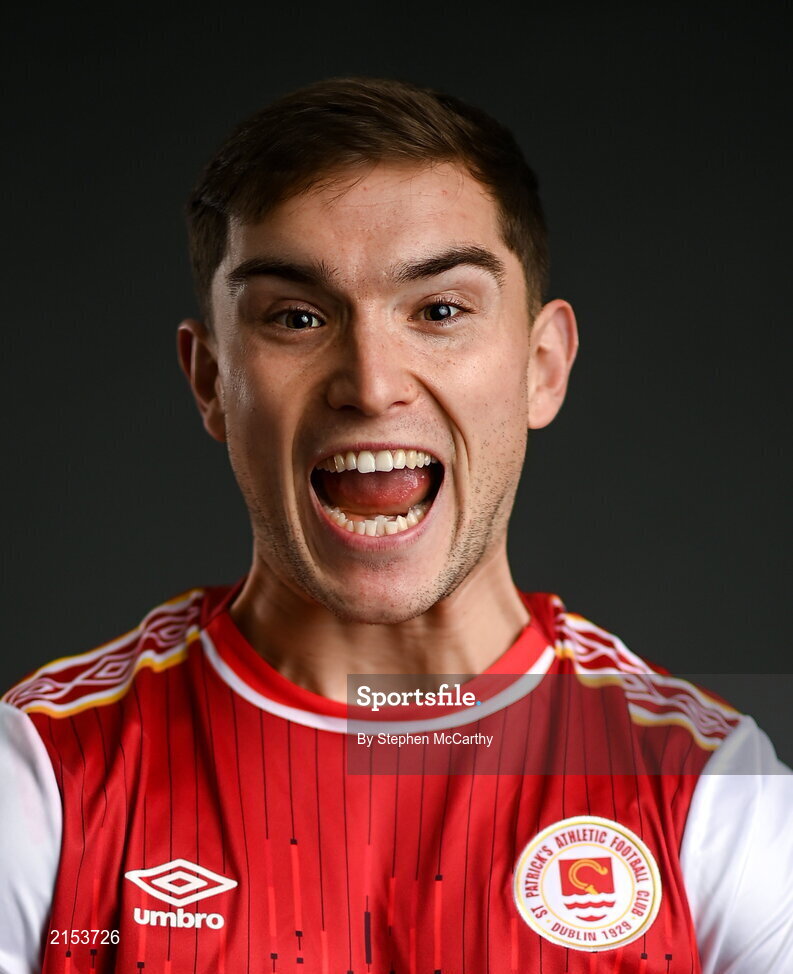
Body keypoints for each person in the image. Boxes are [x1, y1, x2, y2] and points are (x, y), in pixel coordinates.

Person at [1, 77, 790, 974]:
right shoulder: (40, 777)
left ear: (542, 366)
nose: (371, 383)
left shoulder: (715, 794)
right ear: (211, 380)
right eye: (297, 318)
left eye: (439, 311)